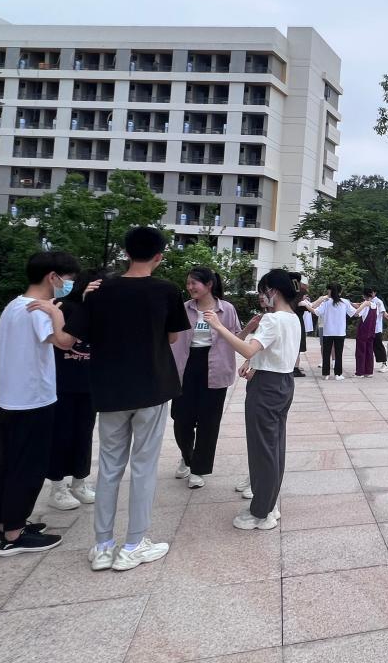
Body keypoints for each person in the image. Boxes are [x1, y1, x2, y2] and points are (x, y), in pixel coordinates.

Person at [65, 227, 191, 571]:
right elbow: (173, 337)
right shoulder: (166, 290)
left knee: (109, 467)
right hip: (152, 386)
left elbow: (77, 334)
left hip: (110, 390)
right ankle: (134, 544)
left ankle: (103, 545)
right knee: (144, 466)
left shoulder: (100, 290)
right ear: (159, 256)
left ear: (126, 253)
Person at [0, 251, 79, 555]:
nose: (68, 285)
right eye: (67, 279)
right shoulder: (38, 310)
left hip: (9, 401)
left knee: (7, 464)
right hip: (33, 401)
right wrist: (57, 313)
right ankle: (14, 534)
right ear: (52, 277)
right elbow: (65, 342)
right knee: (28, 467)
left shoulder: (13, 306)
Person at [204, 270, 300, 530]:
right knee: (274, 446)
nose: (262, 296)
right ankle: (269, 504)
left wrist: (219, 326)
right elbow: (276, 353)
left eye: (263, 291)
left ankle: (261, 512)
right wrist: (255, 363)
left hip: (266, 388)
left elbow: (247, 348)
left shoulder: (272, 319)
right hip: (283, 383)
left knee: (262, 450)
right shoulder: (293, 318)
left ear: (273, 291)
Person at [169, 267, 242, 490]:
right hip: (186, 366)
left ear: (209, 285)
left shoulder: (226, 309)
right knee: (181, 419)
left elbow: (236, 338)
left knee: (209, 422)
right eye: (188, 283)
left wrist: (249, 329)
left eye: (194, 283)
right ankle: (187, 456)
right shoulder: (184, 308)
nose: (190, 287)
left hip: (216, 367)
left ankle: (198, 469)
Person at [47, 269, 103, 511]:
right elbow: (59, 340)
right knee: (60, 435)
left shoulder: (101, 311)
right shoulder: (62, 307)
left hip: (89, 385)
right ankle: (57, 487)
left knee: (84, 434)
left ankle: (79, 482)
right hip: (61, 384)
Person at [305, 283, 356, 380]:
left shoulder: (326, 302)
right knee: (338, 354)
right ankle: (338, 374)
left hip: (327, 332)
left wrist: (306, 306)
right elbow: (354, 313)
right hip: (340, 332)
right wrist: (364, 305)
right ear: (340, 291)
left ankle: (325, 374)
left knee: (326, 353)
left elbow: (316, 312)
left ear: (330, 291)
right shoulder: (345, 302)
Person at [365, 288, 388, 373]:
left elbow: (383, 311)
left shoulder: (378, 302)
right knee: (369, 347)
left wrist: (386, 315)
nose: (371, 294)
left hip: (376, 328)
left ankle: (384, 364)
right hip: (368, 328)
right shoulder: (367, 301)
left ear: (375, 292)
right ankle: (368, 364)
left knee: (378, 346)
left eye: (372, 292)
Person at [287, 272, 309, 377]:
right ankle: (295, 368)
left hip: (286, 319)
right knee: (297, 345)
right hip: (297, 321)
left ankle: (290, 366)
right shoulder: (300, 290)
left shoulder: (285, 290)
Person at [353, 295, 380, 377]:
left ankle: (360, 372)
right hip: (371, 331)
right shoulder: (375, 306)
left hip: (363, 332)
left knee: (360, 352)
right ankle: (369, 372)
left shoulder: (365, 306)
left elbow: (356, 314)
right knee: (369, 352)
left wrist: (361, 306)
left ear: (364, 296)